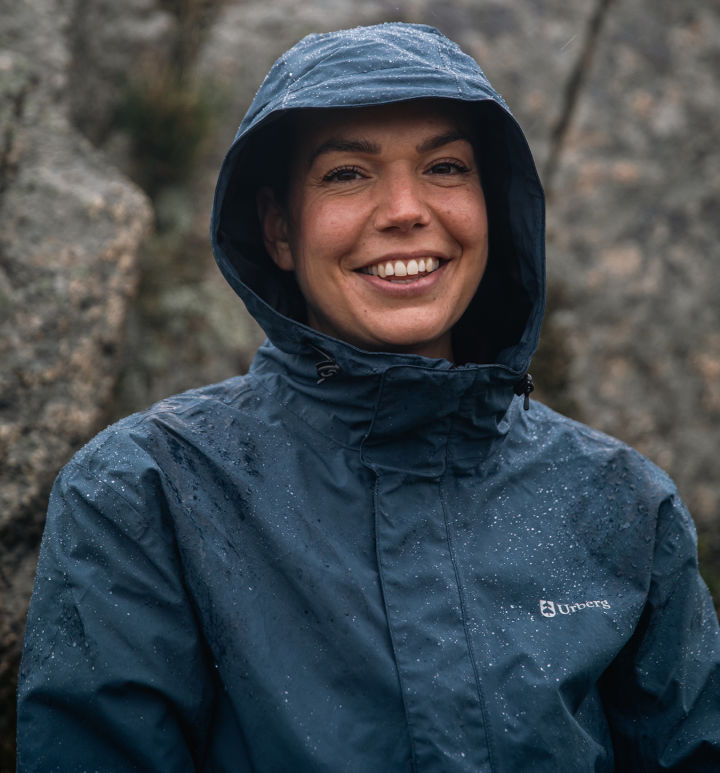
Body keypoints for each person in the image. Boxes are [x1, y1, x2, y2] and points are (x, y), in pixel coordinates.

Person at [16, 22, 720, 772]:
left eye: (446, 166)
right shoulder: (144, 492)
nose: (405, 210)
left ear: (496, 205)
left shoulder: (622, 503)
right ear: (279, 230)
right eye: (347, 174)